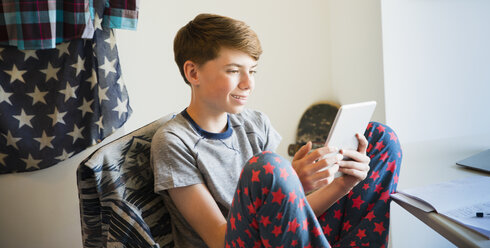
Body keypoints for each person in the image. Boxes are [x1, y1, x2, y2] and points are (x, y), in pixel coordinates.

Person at [151, 13, 402, 248]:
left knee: (381, 137)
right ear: (193, 72)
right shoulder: (173, 141)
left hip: (279, 238)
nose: (248, 83)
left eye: (252, 71)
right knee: (268, 167)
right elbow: (218, 239)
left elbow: (290, 217)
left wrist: (343, 185)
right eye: (234, 71)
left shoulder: (255, 123)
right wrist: (289, 183)